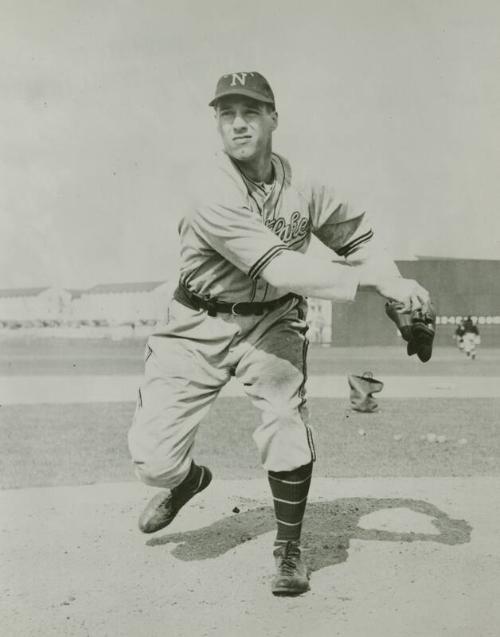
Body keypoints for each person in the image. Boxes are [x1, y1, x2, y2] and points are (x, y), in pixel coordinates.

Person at [127, 71, 430, 596]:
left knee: (285, 425)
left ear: (273, 117)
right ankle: (186, 481)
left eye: (251, 111)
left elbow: (357, 237)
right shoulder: (208, 188)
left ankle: (288, 549)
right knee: (153, 461)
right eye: (227, 114)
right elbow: (278, 267)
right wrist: (379, 281)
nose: (239, 124)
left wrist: (398, 288)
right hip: (196, 323)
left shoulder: (305, 184)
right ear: (216, 122)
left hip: (272, 322)